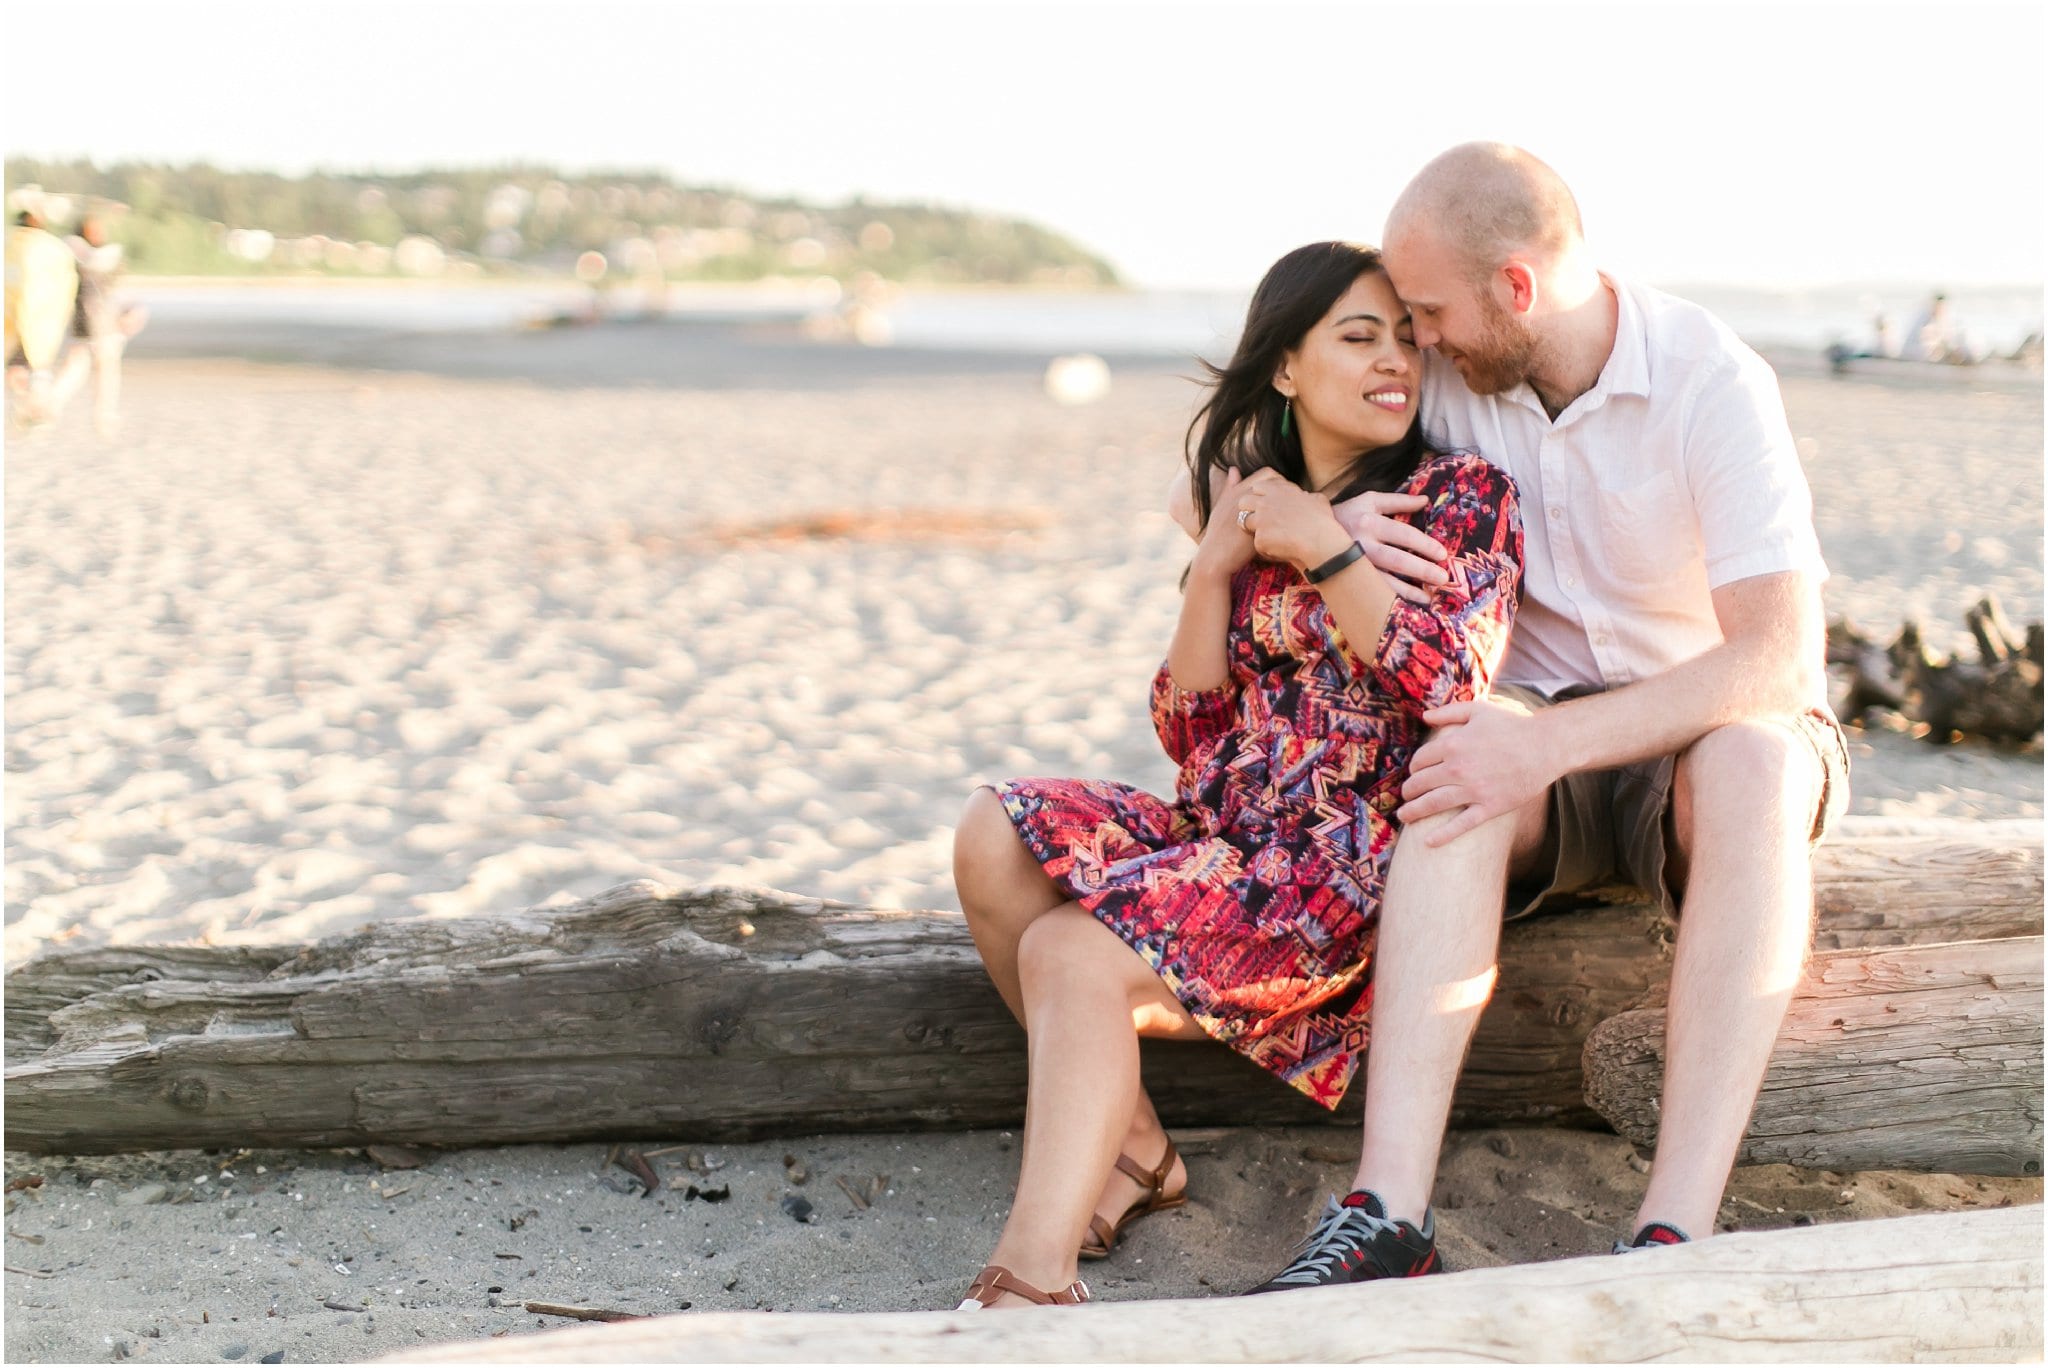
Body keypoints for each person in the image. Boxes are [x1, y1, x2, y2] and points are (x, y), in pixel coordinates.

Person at [1249, 143, 1848, 1292]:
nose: (1413, 341)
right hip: (1532, 735)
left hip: (1709, 725)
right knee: (1455, 755)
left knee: (1751, 770)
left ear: (1514, 290)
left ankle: (1671, 1231)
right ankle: (1388, 1212)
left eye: (1425, 311)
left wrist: (1549, 746)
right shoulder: (1453, 374)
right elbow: (1226, 462)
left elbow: (1778, 655)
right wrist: (1326, 522)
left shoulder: (1709, 379)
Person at [948, 241, 1522, 1310]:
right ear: (1287, 366)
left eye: (1406, 337)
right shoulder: (1255, 499)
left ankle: (1030, 1280)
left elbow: (1450, 681)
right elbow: (1190, 726)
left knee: (1070, 950)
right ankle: (1133, 1151)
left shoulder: (1459, 496)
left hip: (1330, 875)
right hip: (1215, 837)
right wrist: (1217, 559)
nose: (1394, 359)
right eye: (1358, 337)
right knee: (991, 830)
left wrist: (1326, 551)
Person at [51, 208, 148, 437]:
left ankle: (103, 417)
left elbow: (120, 291)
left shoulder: (91, 256)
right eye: (92, 228)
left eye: (98, 229)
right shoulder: (81, 256)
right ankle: (54, 407)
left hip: (105, 323)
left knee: (104, 373)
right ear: (83, 231)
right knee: (78, 370)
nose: (96, 232)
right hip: (87, 322)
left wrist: (130, 312)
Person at [4, 199, 80, 429]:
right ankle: (33, 412)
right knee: (33, 369)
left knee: (20, 370)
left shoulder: (10, 242)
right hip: (40, 321)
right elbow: (67, 284)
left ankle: (28, 412)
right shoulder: (51, 248)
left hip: (15, 320)